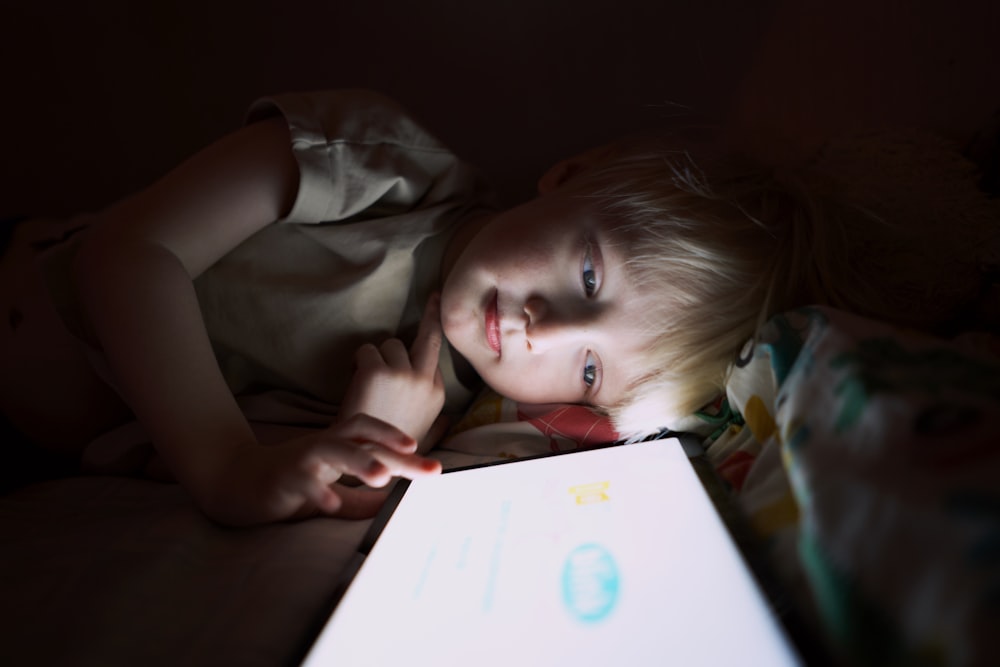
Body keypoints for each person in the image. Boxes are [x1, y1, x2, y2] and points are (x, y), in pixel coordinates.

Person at [2, 90, 997, 526]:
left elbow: (313, 500)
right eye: (592, 278)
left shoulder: (477, 425)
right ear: (576, 173)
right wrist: (227, 466)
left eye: (593, 368)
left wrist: (364, 444)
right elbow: (130, 255)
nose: (545, 332)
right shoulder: (383, 167)